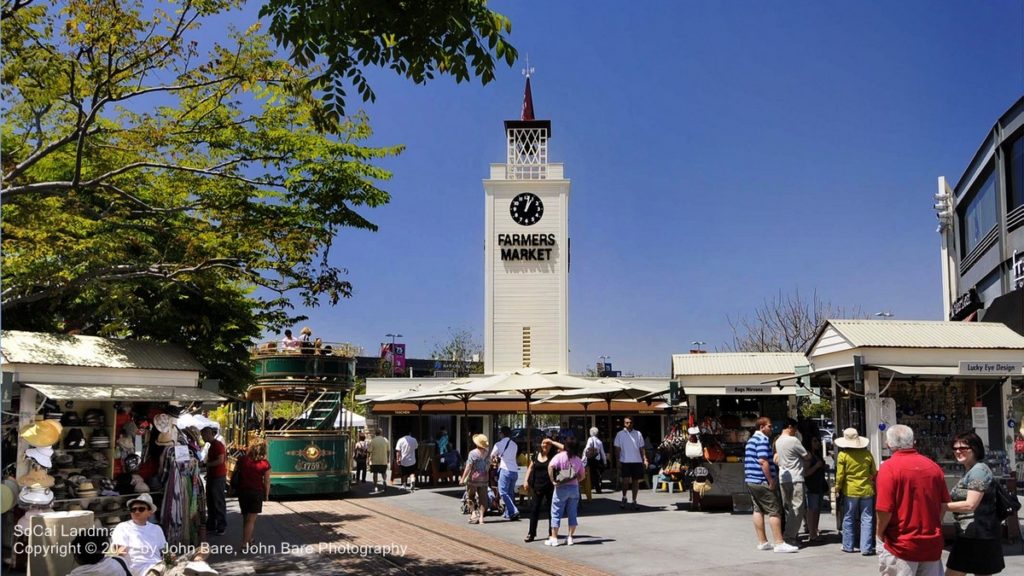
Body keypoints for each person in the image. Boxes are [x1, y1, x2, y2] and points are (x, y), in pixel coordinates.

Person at [876, 424, 950, 576]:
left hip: (901, 544)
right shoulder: (933, 467)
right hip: (931, 543)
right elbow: (943, 505)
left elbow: (884, 509)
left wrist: (879, 533)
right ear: (913, 442)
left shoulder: (888, 468)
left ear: (888, 444)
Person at [944, 430, 1004, 576]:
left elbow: (970, 504)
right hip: (973, 534)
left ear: (975, 449)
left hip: (977, 537)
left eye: (963, 448)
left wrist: (939, 506)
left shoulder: (979, 471)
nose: (958, 451)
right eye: (955, 448)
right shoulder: (971, 471)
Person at [744, 416, 797, 553]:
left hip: (751, 480)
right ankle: (779, 542)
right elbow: (763, 461)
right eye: (769, 426)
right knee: (774, 511)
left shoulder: (751, 440)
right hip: (762, 480)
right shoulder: (762, 440)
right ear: (761, 427)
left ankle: (763, 541)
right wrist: (771, 480)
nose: (771, 428)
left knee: (757, 510)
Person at [835, 427, 876, 555]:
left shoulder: (843, 455)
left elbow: (840, 475)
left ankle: (848, 545)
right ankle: (866, 547)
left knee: (848, 517)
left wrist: (837, 488)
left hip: (850, 491)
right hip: (867, 490)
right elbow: (873, 472)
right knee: (867, 518)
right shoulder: (867, 454)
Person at [110, 493, 166, 575]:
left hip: (159, 565)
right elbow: (120, 552)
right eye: (133, 509)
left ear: (149, 513)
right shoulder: (123, 527)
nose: (136, 512)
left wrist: (171, 557)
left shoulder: (157, 529)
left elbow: (165, 550)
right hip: (139, 570)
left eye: (141, 509)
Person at [775, 417, 811, 546]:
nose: (796, 431)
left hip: (783, 478)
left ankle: (790, 535)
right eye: (795, 428)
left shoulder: (778, 441)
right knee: (797, 508)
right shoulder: (793, 440)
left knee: (788, 508)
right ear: (790, 426)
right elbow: (806, 455)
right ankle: (789, 537)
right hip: (796, 477)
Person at [546, 436, 586, 547]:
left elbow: (550, 466)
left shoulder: (559, 456)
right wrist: (575, 478)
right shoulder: (578, 460)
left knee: (556, 512)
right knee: (572, 513)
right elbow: (582, 476)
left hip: (561, 488)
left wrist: (553, 480)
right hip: (574, 488)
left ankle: (554, 538)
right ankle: (570, 538)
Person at [523, 437, 563, 542]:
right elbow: (530, 468)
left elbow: (565, 448)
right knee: (534, 510)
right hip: (537, 486)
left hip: (550, 486)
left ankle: (551, 533)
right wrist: (526, 480)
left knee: (551, 511)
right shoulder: (536, 455)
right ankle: (531, 533)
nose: (545, 445)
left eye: (547, 444)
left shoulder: (554, 456)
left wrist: (553, 442)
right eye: (543, 443)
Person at [236, 440, 272, 553]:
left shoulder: (242, 460)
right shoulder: (265, 464)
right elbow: (266, 481)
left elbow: (237, 473)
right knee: (251, 520)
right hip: (256, 492)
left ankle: (249, 539)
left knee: (245, 517)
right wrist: (266, 494)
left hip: (243, 491)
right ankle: (244, 544)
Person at [614, 416, 648, 510]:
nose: (628, 424)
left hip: (636, 460)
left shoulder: (638, 434)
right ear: (624, 423)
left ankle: (634, 500)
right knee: (625, 481)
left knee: (635, 481)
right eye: (626, 423)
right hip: (625, 461)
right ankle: (624, 497)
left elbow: (642, 448)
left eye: (630, 422)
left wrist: (644, 458)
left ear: (633, 423)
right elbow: (617, 448)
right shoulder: (620, 434)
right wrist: (618, 460)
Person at [490, 426, 520, 521]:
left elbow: (492, 456)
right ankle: (509, 513)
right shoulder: (514, 444)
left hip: (505, 469)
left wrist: (495, 459)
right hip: (514, 471)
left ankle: (514, 510)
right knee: (510, 493)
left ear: (502, 433)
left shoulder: (498, 444)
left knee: (503, 492)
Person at [201, 426, 227, 536]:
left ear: (209, 434)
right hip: (213, 476)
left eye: (203, 435)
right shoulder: (212, 445)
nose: (202, 437)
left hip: (218, 477)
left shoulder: (217, 445)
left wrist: (206, 465)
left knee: (218, 502)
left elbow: (220, 460)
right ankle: (211, 525)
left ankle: (221, 526)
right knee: (211, 502)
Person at [802, 432, 828, 542]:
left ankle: (814, 530)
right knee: (812, 509)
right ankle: (812, 532)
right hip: (811, 486)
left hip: (819, 485)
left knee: (817, 509)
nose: (817, 443)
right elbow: (805, 473)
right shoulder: (808, 455)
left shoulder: (817, 454)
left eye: (818, 441)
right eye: (814, 441)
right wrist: (817, 466)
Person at [460, 434, 491, 525]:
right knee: (483, 498)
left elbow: (468, 467)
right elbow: (488, 466)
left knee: (470, 496)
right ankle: (481, 518)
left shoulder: (472, 453)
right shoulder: (487, 453)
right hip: (484, 478)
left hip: (473, 478)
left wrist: (462, 478)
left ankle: (473, 513)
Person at [583, 427, 607, 494]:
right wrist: (605, 462)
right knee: (596, 475)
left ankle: (590, 488)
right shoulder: (599, 441)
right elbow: (602, 453)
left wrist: (584, 458)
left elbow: (587, 449)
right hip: (597, 460)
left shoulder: (590, 439)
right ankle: (598, 488)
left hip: (591, 460)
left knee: (590, 474)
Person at [368, 428, 390, 494]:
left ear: (375, 433)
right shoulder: (385, 440)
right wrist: (388, 458)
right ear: (381, 433)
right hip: (383, 460)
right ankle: (384, 481)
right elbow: (388, 451)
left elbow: (369, 451)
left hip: (375, 460)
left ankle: (375, 487)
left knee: (375, 473)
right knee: (383, 472)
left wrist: (368, 459)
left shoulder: (373, 441)